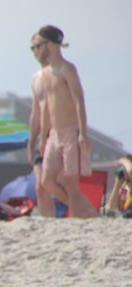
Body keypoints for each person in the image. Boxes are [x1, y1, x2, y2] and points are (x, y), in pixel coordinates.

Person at [37, 25, 97, 218]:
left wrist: (83, 133)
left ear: (50, 45)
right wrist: (42, 136)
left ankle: (81, 216)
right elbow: (47, 108)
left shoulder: (67, 69)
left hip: (71, 131)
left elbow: (79, 100)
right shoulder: (46, 73)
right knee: (47, 180)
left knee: (71, 183)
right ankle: (87, 211)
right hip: (54, 133)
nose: (37, 49)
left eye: (40, 44)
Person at [28, 34, 63, 218]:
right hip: (42, 136)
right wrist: (31, 141)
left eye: (37, 46)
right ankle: (49, 224)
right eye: (32, 48)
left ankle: (81, 211)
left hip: (58, 134)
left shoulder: (59, 72)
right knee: (40, 186)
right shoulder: (35, 78)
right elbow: (36, 112)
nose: (35, 51)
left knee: (58, 183)